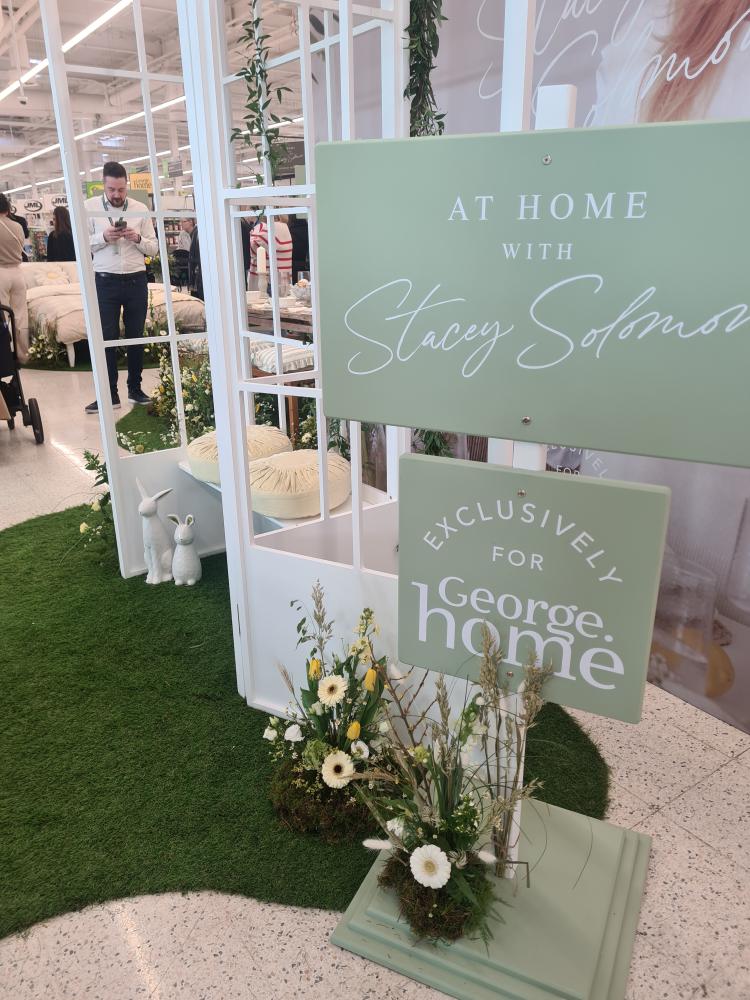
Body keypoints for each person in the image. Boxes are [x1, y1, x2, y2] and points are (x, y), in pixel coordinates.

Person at [84, 161, 158, 413]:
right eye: (111, 190)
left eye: (121, 189)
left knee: (136, 335)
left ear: (127, 185)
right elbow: (81, 244)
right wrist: (103, 237)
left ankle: (135, 389)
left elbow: (153, 247)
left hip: (136, 279)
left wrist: (137, 238)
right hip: (105, 281)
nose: (116, 195)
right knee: (107, 337)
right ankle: (109, 394)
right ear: (103, 186)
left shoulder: (140, 209)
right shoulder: (89, 208)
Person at [0, 193, 29, 362]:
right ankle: (22, 354)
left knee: (2, 316)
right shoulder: (17, 226)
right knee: (20, 315)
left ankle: (4, 355)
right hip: (18, 273)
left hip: (1, 273)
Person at [249, 214, 292, 283]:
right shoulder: (285, 227)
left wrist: (254, 231)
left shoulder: (264, 228)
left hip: (266, 278)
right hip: (284, 278)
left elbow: (254, 248)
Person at [188, 221, 202, 299]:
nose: (181, 223)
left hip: (200, 272)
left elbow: (193, 257)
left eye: (183, 221)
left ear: (190, 222)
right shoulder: (196, 232)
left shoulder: (197, 232)